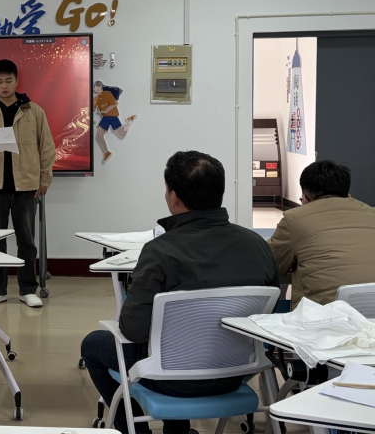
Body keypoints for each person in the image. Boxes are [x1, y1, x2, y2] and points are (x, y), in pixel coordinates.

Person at [81, 151, 279, 434]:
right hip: (237, 373)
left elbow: (133, 330)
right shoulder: (257, 246)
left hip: (169, 377)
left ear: (174, 197)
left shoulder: (160, 251)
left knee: (93, 345)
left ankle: (135, 430)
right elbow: (268, 320)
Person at [0, 59, 55, 308]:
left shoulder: (33, 111)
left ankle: (28, 289)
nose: (4, 85)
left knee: (26, 240)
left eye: (8, 80)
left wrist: (44, 178)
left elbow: (47, 147)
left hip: (25, 186)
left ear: (16, 81)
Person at [269, 160, 375, 308]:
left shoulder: (294, 219)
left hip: (322, 316)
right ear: (348, 196)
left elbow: (271, 264)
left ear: (305, 198)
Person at [92, 81, 137, 164]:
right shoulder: (96, 98)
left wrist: (105, 110)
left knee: (121, 134)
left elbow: (113, 104)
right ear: (94, 89)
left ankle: (129, 121)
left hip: (112, 116)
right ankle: (107, 152)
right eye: (96, 90)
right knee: (99, 135)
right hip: (105, 117)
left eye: (99, 89)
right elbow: (92, 108)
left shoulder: (108, 94)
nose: (98, 91)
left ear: (101, 87)